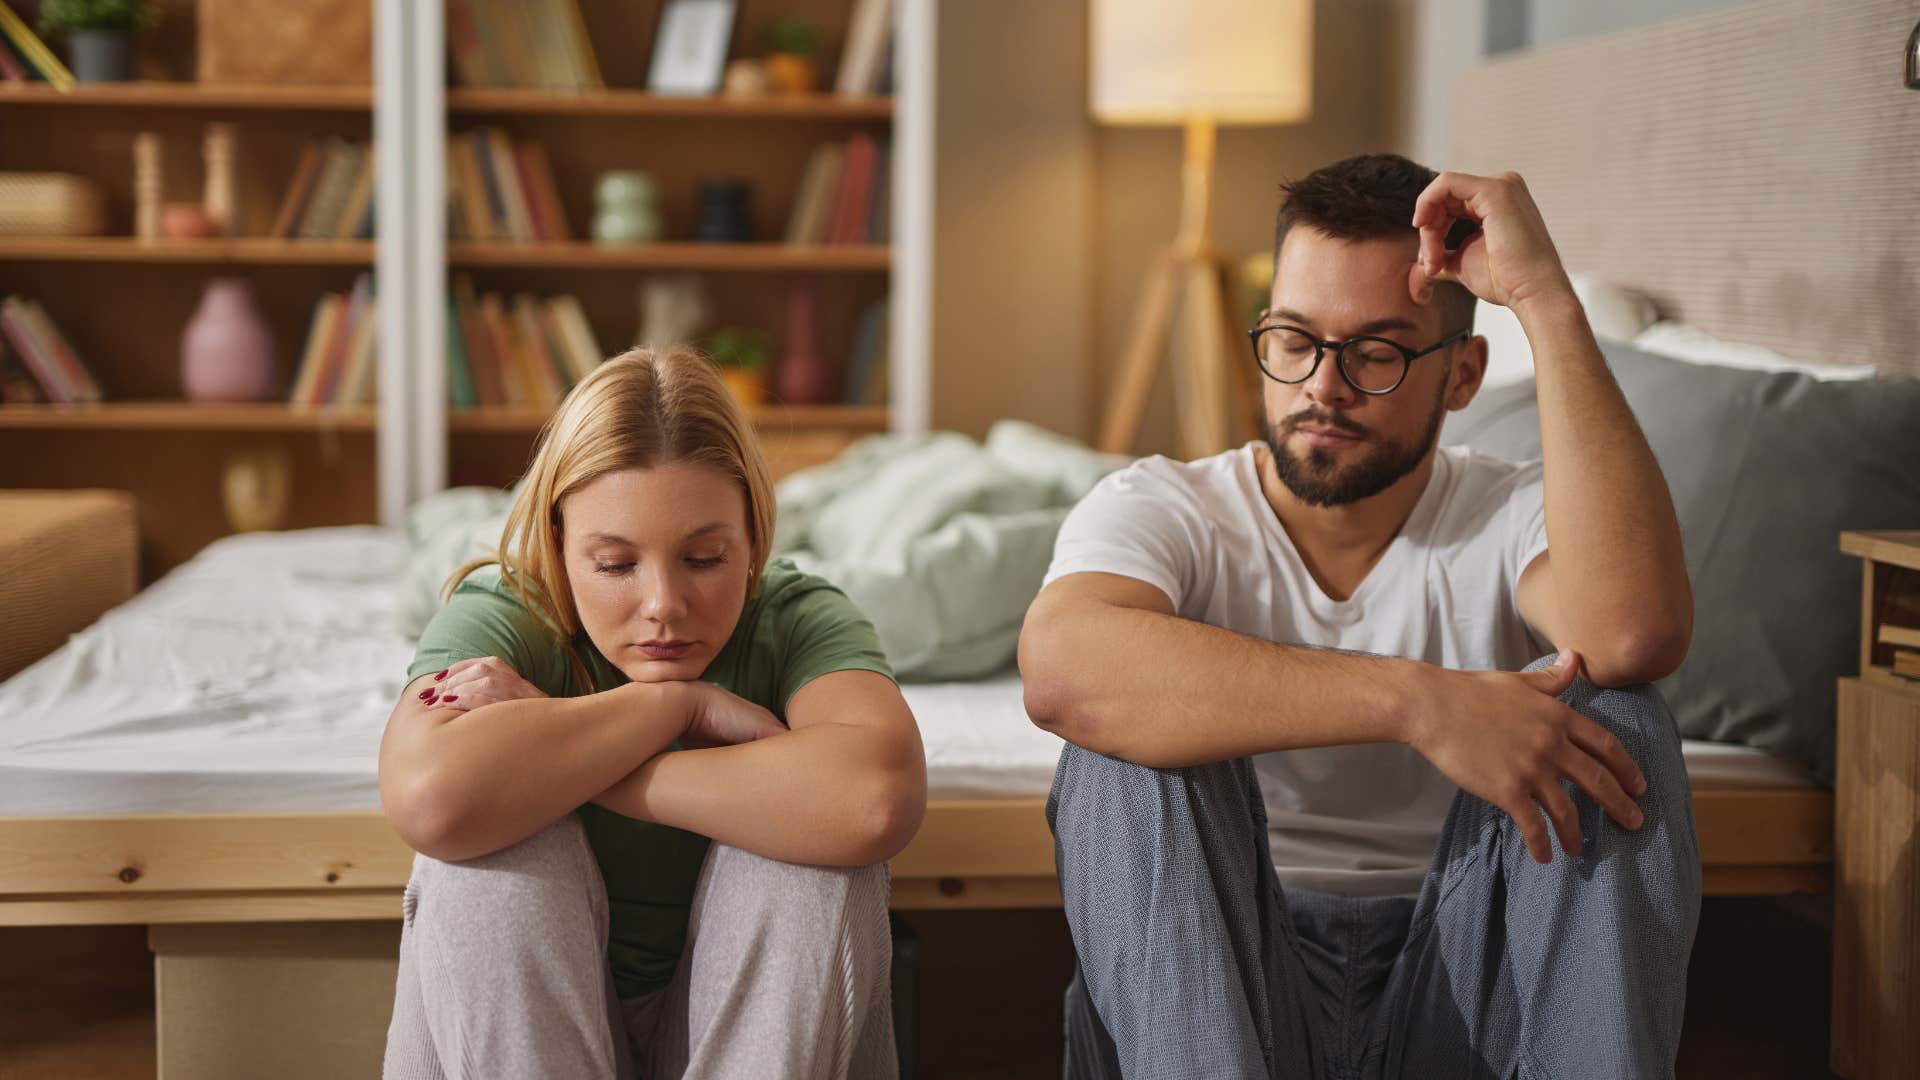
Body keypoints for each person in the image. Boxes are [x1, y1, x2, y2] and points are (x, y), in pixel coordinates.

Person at [1019, 154, 1699, 1079]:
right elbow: (1063, 669)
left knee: (1617, 714)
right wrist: (1420, 702)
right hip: (1209, 994)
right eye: (1295, 341)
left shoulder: (1509, 514)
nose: (1322, 388)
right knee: (1120, 742)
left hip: (1459, 980)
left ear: (1462, 378)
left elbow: (1633, 633)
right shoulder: (1165, 505)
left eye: (1375, 353)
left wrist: (1543, 297)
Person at [378, 348, 925, 1079]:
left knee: (817, 865)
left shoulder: (795, 618)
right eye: (614, 565)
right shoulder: (509, 613)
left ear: (755, 542)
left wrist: (596, 755)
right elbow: (431, 797)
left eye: (704, 559)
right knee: (484, 862)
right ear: (558, 547)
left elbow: (874, 799)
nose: (664, 605)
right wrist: (674, 704)